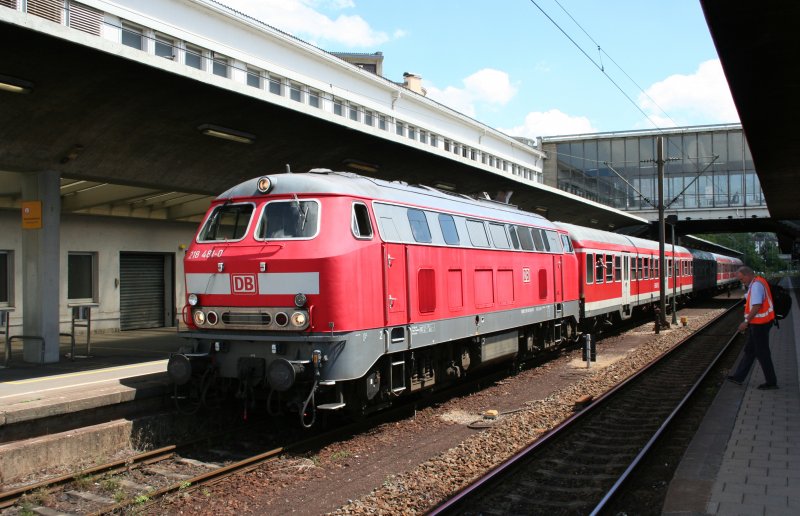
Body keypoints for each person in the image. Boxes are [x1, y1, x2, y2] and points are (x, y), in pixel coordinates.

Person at [727, 266, 778, 390]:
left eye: (742, 279)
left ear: (748, 275)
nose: (741, 281)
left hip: (761, 323)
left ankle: (771, 382)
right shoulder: (758, 281)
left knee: (762, 353)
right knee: (750, 350)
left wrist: (746, 322)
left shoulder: (756, 286)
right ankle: (739, 377)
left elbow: (756, 305)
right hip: (759, 323)